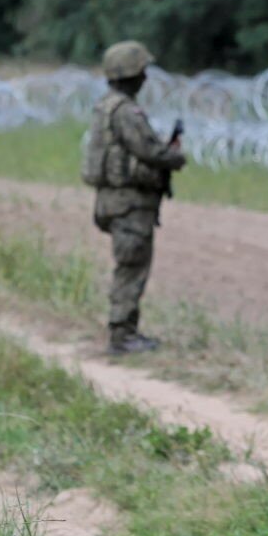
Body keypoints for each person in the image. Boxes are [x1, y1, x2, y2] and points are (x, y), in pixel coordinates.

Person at [83, 41, 186, 354]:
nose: (145, 78)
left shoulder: (105, 106)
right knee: (131, 267)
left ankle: (124, 330)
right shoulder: (127, 112)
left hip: (112, 200)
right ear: (131, 74)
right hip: (130, 203)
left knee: (128, 264)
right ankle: (123, 334)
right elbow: (150, 151)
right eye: (142, 71)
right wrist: (174, 158)